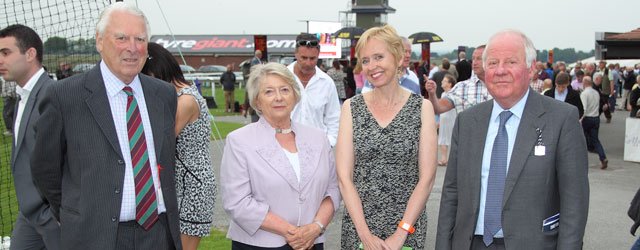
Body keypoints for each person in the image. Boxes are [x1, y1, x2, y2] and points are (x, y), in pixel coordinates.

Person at [30, 3, 181, 249]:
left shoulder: (163, 94)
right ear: (99, 41)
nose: (132, 48)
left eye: (140, 39)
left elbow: (164, 161)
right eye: (121, 38)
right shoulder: (64, 96)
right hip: (93, 237)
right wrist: (76, 213)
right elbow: (45, 169)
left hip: (157, 234)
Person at [436, 30, 589, 249]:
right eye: (493, 63)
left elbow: (575, 201)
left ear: (531, 67)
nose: (500, 70)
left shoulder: (561, 119)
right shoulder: (467, 122)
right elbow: (451, 193)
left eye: (511, 62)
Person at [336, 25, 438, 250]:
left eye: (379, 57)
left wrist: (401, 234)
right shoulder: (351, 108)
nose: (372, 67)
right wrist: (365, 236)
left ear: (399, 57)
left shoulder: (422, 108)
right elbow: (344, 177)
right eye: (365, 60)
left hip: (407, 229)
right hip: (359, 229)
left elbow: (427, 178)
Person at [220, 62, 340, 249]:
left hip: (311, 242)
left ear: (294, 95)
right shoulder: (239, 141)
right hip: (259, 245)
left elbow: (332, 191)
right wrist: (292, 232)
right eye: (268, 92)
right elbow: (237, 201)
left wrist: (315, 228)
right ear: (257, 101)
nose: (278, 98)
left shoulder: (318, 138)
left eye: (285, 90)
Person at [142, 42, 216, 250]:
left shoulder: (185, 100)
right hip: (182, 184)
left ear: (157, 71)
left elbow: (161, 141)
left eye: (146, 76)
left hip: (192, 185)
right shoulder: (180, 95)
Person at [0, 24, 60, 250]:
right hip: (30, 213)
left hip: (52, 216)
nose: (0, 60)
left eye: (6, 53)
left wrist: (56, 212)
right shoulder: (22, 96)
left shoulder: (52, 95)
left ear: (30, 54)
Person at [287, 33, 341, 146]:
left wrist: (329, 142)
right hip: (286, 147)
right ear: (295, 54)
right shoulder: (282, 78)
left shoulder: (326, 83)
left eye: (312, 58)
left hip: (318, 148)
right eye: (303, 58)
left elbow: (334, 118)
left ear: (318, 56)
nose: (308, 63)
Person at [425, 45, 490, 115]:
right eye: (473, 59)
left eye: (479, 58)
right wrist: (432, 94)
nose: (474, 62)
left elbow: (457, 75)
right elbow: (438, 108)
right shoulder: (461, 88)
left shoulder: (501, 87)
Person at [580, 75, 608, 169]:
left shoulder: (584, 94)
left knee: (582, 140)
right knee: (595, 140)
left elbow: (584, 108)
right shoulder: (596, 92)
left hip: (587, 118)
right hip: (596, 117)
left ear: (584, 83)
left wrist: (580, 120)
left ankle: (581, 161)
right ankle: (603, 157)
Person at [438, 74, 457, 166]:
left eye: (445, 81)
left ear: (450, 84)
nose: (442, 82)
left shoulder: (453, 93)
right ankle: (443, 158)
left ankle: (452, 159)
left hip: (451, 118)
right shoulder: (443, 94)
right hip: (443, 118)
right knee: (442, 138)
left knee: (452, 138)